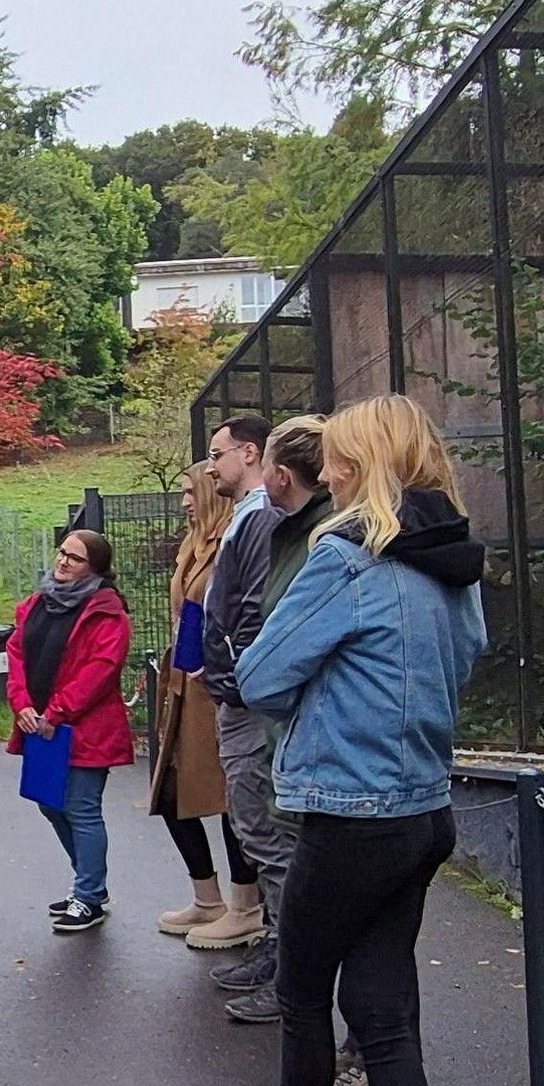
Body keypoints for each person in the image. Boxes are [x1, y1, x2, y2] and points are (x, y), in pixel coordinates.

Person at [211, 396, 489, 1086]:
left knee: (299, 992)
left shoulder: (346, 555)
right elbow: (467, 654)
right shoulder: (455, 565)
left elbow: (259, 674)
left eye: (334, 460)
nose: (322, 474)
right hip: (423, 809)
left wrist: (317, 696)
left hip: (346, 809)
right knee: (385, 1014)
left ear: (362, 464)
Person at [198, 416, 333, 1024]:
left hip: (251, 703)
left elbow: (256, 611)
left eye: (217, 453)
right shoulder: (251, 518)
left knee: (268, 835)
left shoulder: (265, 521)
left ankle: (288, 971)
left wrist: (234, 674)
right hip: (239, 695)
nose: (209, 467)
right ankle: (278, 951)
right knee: (258, 831)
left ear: (254, 456)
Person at [3, 522, 134, 929]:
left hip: (84, 727)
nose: (62, 561)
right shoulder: (38, 603)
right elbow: (15, 653)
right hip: (39, 725)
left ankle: (89, 896)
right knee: (49, 802)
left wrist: (56, 712)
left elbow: (100, 670)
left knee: (81, 808)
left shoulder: (106, 612)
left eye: (74, 557)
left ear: (93, 568)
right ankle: (89, 883)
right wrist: (21, 703)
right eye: (62, 552)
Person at [149, 465, 243, 937]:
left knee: (227, 798)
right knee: (168, 793)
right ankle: (206, 897)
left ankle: (245, 905)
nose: (184, 501)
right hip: (184, 686)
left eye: (190, 492)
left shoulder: (231, 541)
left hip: (215, 688)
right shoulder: (194, 544)